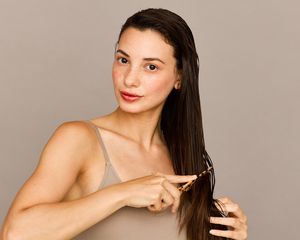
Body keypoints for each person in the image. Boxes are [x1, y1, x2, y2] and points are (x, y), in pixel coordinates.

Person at [1, 8, 248, 240]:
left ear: (179, 78)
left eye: (151, 67)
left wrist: (226, 233)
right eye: (123, 60)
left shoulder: (182, 158)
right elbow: (15, 233)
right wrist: (123, 193)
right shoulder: (79, 139)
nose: (130, 79)